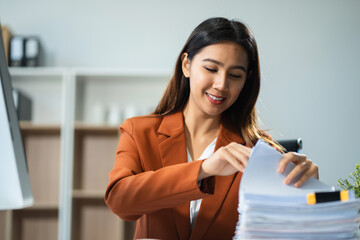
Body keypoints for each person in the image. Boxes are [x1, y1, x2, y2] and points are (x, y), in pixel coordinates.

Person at [105, 17, 319, 240]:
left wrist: (309, 192)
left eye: (235, 75)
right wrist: (204, 169)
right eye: (211, 68)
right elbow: (120, 202)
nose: (221, 84)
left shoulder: (258, 150)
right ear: (186, 65)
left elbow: (282, 227)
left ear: (246, 80)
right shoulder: (139, 131)